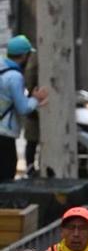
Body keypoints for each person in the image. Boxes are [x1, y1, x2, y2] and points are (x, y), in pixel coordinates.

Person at [0, 33, 46, 179]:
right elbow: (23, 108)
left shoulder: (1, 69)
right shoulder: (15, 76)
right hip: (5, 134)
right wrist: (36, 100)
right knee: (7, 174)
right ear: (24, 56)